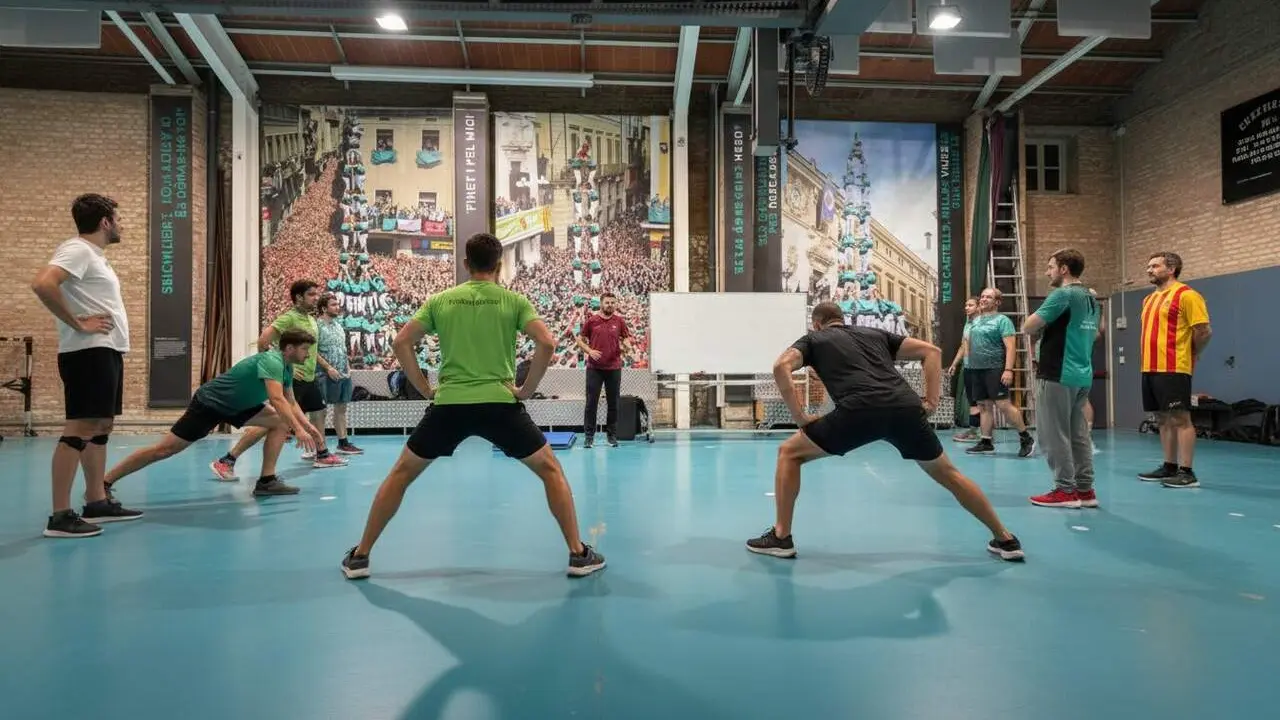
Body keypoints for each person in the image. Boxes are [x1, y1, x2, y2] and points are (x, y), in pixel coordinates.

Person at [341, 233, 606, 580]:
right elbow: (547, 342)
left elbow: (401, 342)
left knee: (401, 475)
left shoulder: (441, 301)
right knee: (551, 472)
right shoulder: (513, 301)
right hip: (500, 405)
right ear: (499, 265)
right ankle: (577, 553)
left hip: (449, 406)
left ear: (466, 264)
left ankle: (360, 557)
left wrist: (424, 388)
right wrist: (526, 390)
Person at [745, 301, 1024, 562]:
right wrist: (931, 401)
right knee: (949, 475)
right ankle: (1005, 539)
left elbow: (781, 365)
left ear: (817, 324)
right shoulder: (874, 333)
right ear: (841, 319)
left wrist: (801, 417)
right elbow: (932, 352)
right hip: (905, 408)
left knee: (789, 454)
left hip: (859, 410)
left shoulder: (813, 340)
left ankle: (781, 537)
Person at [30, 193, 143, 538]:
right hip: (87, 352)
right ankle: (60, 515)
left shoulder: (94, 255)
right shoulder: (77, 249)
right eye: (118, 219)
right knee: (79, 427)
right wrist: (79, 322)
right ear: (105, 222)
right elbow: (42, 283)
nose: (121, 225)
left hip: (105, 350)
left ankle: (95, 500)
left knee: (101, 424)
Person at [102, 329, 323, 498]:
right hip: (212, 403)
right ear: (290, 348)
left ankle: (266, 481)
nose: (308, 354)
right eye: (305, 349)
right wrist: (299, 429)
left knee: (278, 422)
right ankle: (105, 482)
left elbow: (291, 402)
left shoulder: (287, 366)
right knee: (164, 450)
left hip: (239, 405)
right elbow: (276, 399)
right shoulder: (272, 360)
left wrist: (308, 427)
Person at [210, 279, 346, 479]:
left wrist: (321, 367)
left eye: (317, 294)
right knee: (271, 423)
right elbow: (264, 342)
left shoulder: (310, 319)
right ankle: (227, 460)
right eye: (311, 295)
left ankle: (322, 454)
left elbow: (311, 349)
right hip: (294, 379)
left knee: (319, 413)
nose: (316, 298)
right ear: (299, 297)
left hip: (309, 377)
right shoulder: (288, 318)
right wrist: (283, 365)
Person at [1021, 249, 1101, 509]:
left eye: (1051, 266)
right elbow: (1097, 334)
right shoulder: (1090, 299)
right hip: (1082, 374)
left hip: (1058, 373)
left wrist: (1045, 328)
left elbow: (1028, 326)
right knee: (1078, 435)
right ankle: (1085, 490)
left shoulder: (1062, 295)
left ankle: (1065, 490)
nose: (1047, 272)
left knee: (1052, 435)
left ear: (1064, 269)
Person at [1137, 251, 1210, 489]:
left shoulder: (1187, 296)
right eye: (1149, 266)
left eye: (1155, 266)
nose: (1149, 270)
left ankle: (1187, 472)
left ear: (1171, 269)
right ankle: (1169, 466)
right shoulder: (1148, 300)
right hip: (1149, 366)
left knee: (1180, 417)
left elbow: (1203, 330)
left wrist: (1192, 353)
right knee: (1161, 417)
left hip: (1174, 366)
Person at [964, 287, 1035, 457]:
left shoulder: (1003, 321)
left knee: (1003, 404)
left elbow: (1011, 347)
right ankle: (986, 442)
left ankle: (1026, 438)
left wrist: (1008, 370)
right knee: (983, 406)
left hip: (995, 368)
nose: (983, 299)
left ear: (997, 302)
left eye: (988, 297)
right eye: (982, 296)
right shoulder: (975, 320)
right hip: (976, 369)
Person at [576, 291, 633, 448]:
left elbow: (626, 337)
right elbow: (579, 340)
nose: (610, 305)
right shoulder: (592, 321)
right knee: (591, 404)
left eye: (613, 303)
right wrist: (589, 351)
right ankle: (589, 437)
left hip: (614, 368)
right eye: (607, 302)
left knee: (613, 403)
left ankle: (612, 436)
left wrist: (627, 345)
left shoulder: (619, 321)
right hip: (594, 369)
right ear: (601, 303)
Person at [315, 293, 362, 455]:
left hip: (343, 373)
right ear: (323, 308)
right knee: (320, 411)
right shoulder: (316, 326)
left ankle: (343, 443)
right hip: (324, 374)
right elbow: (313, 351)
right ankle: (319, 447)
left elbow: (342, 349)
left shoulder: (338, 325)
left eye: (337, 304)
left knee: (341, 408)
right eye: (333, 304)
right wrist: (328, 368)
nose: (337, 307)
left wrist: (348, 368)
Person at [947, 296, 982, 442]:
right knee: (973, 401)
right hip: (968, 366)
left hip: (981, 366)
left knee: (986, 401)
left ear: (978, 307)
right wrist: (954, 363)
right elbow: (963, 346)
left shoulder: (983, 323)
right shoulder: (968, 324)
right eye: (966, 305)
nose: (966, 308)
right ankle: (974, 432)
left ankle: (1022, 433)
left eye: (970, 305)